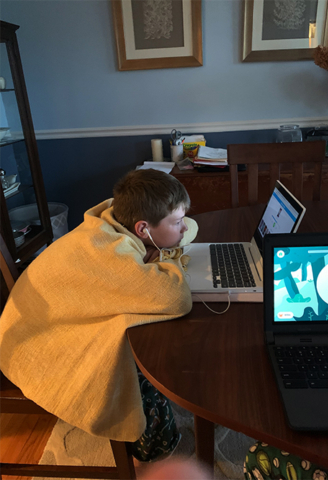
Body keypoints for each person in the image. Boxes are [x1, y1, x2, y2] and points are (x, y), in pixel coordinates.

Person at [0, 168, 198, 462]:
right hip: (32, 347)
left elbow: (190, 227)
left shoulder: (114, 216)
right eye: (177, 222)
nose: (184, 229)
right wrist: (166, 263)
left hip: (32, 323)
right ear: (142, 229)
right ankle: (155, 448)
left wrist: (162, 247)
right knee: (135, 366)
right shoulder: (110, 250)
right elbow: (177, 298)